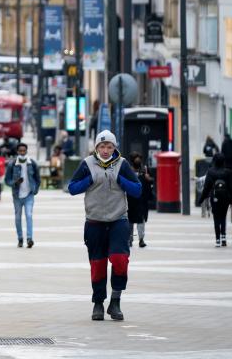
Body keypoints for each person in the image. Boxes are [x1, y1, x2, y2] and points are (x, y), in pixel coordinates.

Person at [67, 130, 142, 322]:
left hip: (119, 220)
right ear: (96, 148)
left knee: (120, 260)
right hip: (94, 222)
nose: (106, 150)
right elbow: (72, 188)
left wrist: (120, 180)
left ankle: (115, 302)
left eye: (109, 146)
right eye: (102, 146)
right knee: (98, 265)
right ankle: (98, 303)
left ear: (115, 147)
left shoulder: (122, 164)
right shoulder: (87, 164)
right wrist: (90, 179)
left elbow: (137, 190)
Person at [5, 142, 40, 248]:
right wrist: (15, 183)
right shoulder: (12, 164)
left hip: (29, 194)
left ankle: (29, 238)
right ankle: (20, 238)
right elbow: (6, 180)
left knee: (29, 215)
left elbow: (38, 178)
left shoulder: (32, 163)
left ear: (26, 151)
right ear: (17, 151)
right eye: (20, 151)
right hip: (17, 195)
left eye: (24, 151)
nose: (22, 153)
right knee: (18, 217)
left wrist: (35, 190)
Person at [197, 153, 232, 247]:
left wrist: (201, 199)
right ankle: (224, 238)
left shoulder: (210, 172)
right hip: (225, 198)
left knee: (216, 218)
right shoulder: (228, 172)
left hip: (215, 198)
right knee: (223, 217)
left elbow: (206, 188)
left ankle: (217, 239)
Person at [126, 152, 153, 248]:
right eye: (135, 158)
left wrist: (148, 178)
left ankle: (141, 239)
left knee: (141, 220)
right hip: (130, 200)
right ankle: (130, 239)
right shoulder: (128, 170)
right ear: (132, 160)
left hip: (142, 200)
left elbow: (152, 180)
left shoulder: (144, 169)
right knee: (130, 221)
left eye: (139, 158)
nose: (138, 160)